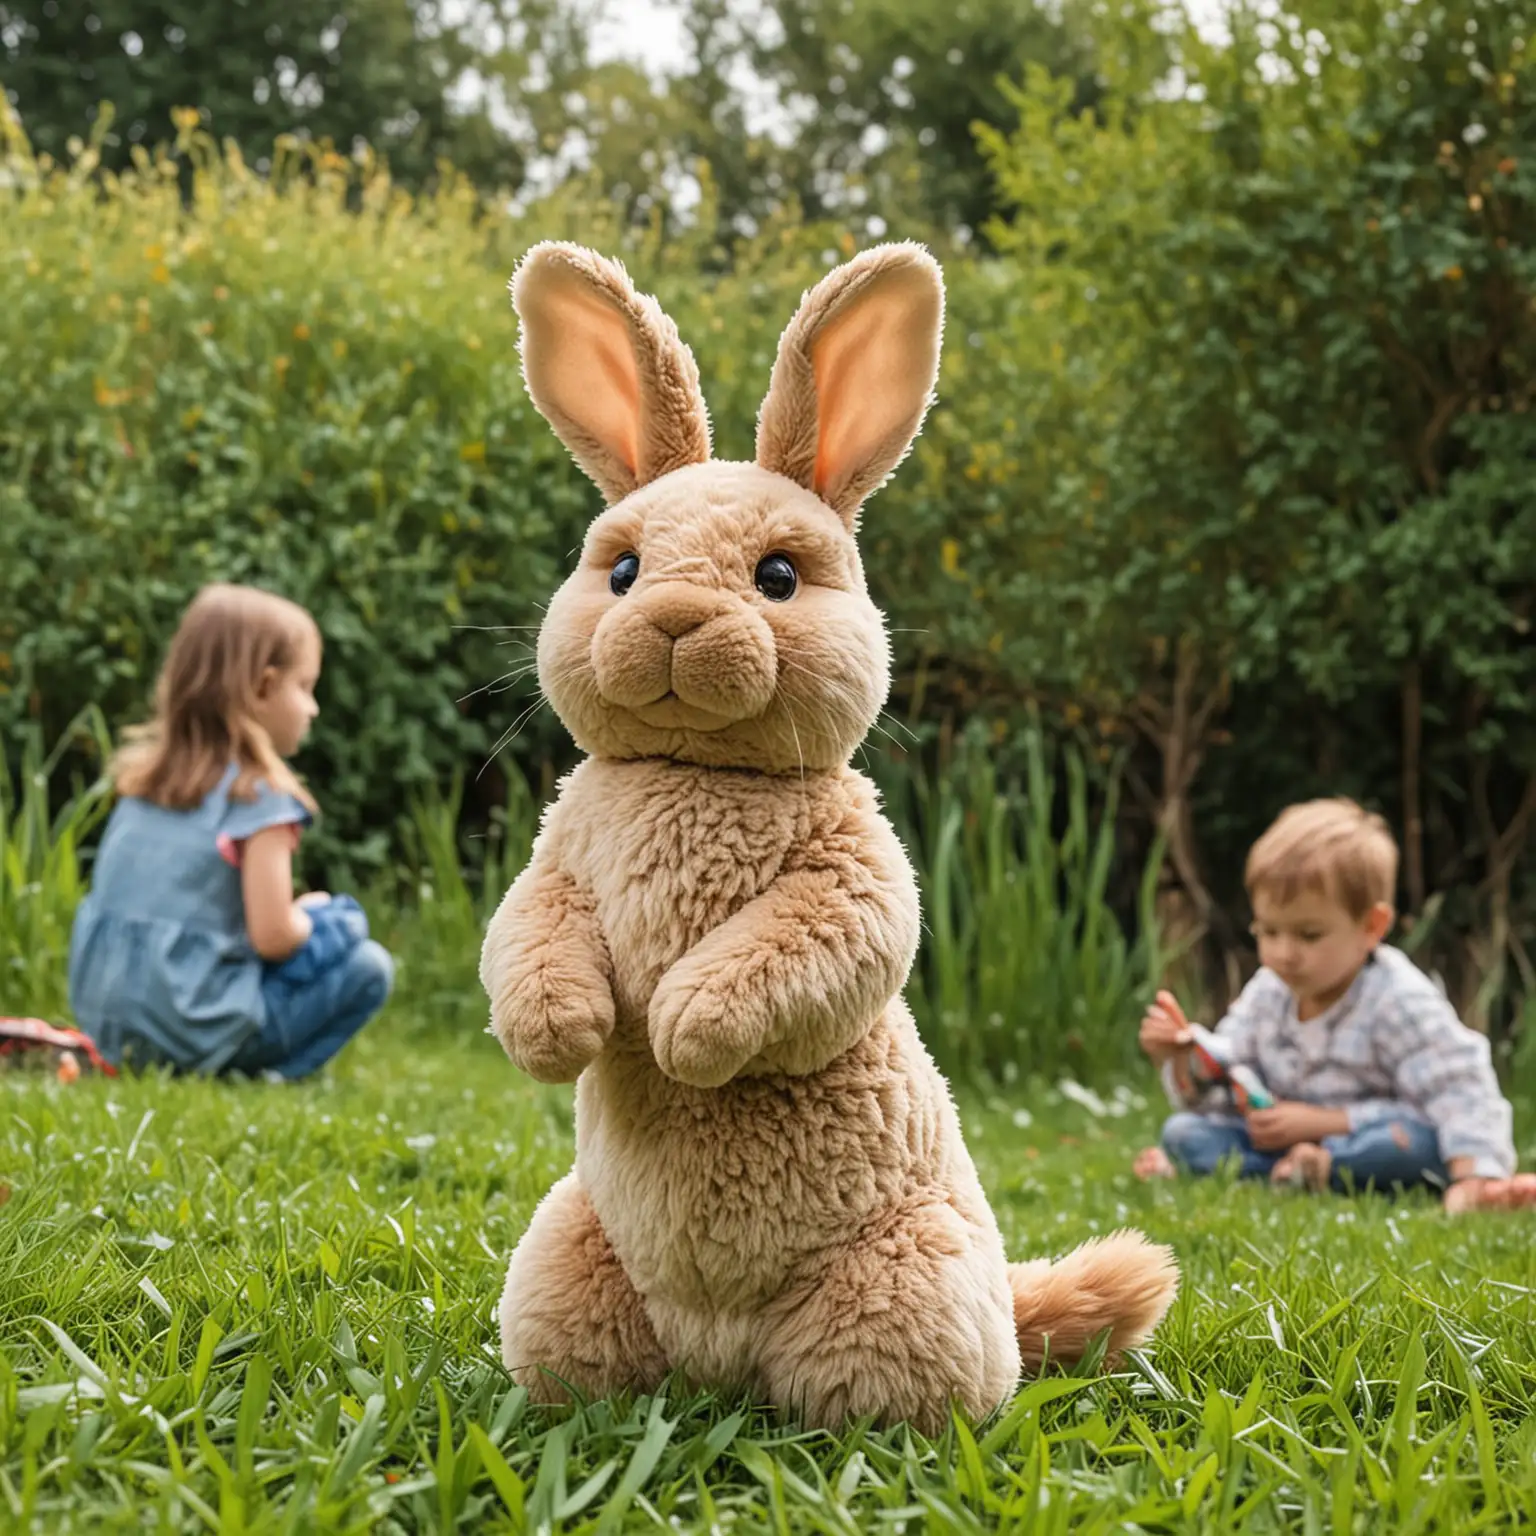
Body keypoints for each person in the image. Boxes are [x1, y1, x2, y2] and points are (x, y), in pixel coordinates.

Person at [1133, 797, 1536, 1214]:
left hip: (1371, 1142)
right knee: (1184, 1132)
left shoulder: (1398, 998)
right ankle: (1282, 1172)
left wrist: (1476, 1177)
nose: (1284, 953)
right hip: (1280, 1146)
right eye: (1268, 931)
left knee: (1412, 1144)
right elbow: (1231, 1073)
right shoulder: (1269, 989)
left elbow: (1457, 1088)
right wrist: (1184, 1056)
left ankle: (1314, 1167)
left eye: (1308, 935)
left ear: (1371, 927)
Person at [69, 584, 393, 1078]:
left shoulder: (140, 784)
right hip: (195, 1029)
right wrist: (310, 916)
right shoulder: (258, 799)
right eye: (305, 688)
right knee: (361, 951)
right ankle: (266, 1077)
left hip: (111, 1029)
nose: (313, 709)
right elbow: (273, 937)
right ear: (263, 688)